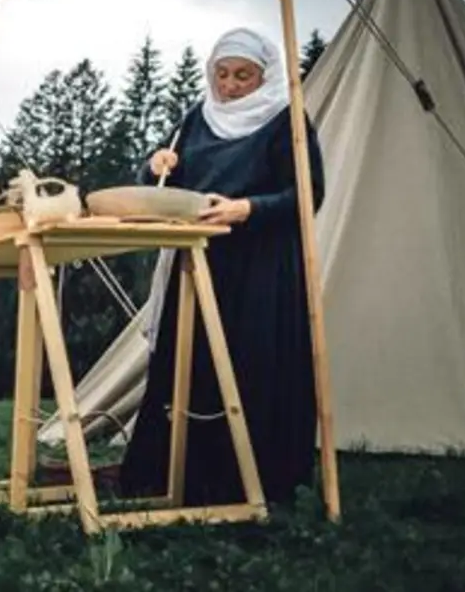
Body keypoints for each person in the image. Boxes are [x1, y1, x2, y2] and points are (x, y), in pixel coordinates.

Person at [118, 27, 325, 509]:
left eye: (243, 76)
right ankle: (178, 480)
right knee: (188, 365)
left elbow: (308, 194)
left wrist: (246, 208)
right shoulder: (197, 118)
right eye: (223, 74)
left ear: (264, 76)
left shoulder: (285, 120)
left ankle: (251, 484)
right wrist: (155, 167)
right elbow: (163, 186)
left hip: (260, 268)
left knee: (249, 369)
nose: (230, 86)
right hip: (198, 261)